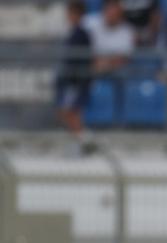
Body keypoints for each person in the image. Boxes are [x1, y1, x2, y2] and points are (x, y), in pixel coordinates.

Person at [56, 0, 92, 140]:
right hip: (71, 79)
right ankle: (80, 140)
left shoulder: (81, 34)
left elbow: (82, 58)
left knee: (70, 111)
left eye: (71, 13)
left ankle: (84, 140)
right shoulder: (73, 33)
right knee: (67, 111)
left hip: (76, 80)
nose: (69, 16)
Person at [82, 0, 135, 75]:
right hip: (92, 68)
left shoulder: (128, 31)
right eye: (109, 11)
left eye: (115, 13)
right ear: (104, 11)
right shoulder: (89, 23)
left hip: (117, 73)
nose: (111, 15)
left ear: (120, 14)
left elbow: (123, 59)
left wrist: (105, 64)